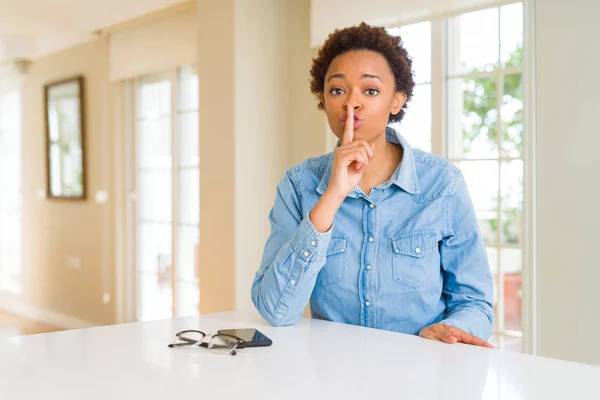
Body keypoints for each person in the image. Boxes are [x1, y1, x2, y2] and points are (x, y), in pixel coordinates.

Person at [251, 22, 494, 348]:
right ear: (323, 100)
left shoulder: (443, 185)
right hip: (330, 379)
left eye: (370, 91)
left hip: (418, 377)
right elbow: (275, 310)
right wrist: (333, 195)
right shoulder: (298, 185)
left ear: (396, 101)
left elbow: (474, 302)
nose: (352, 103)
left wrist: (448, 331)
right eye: (337, 90)